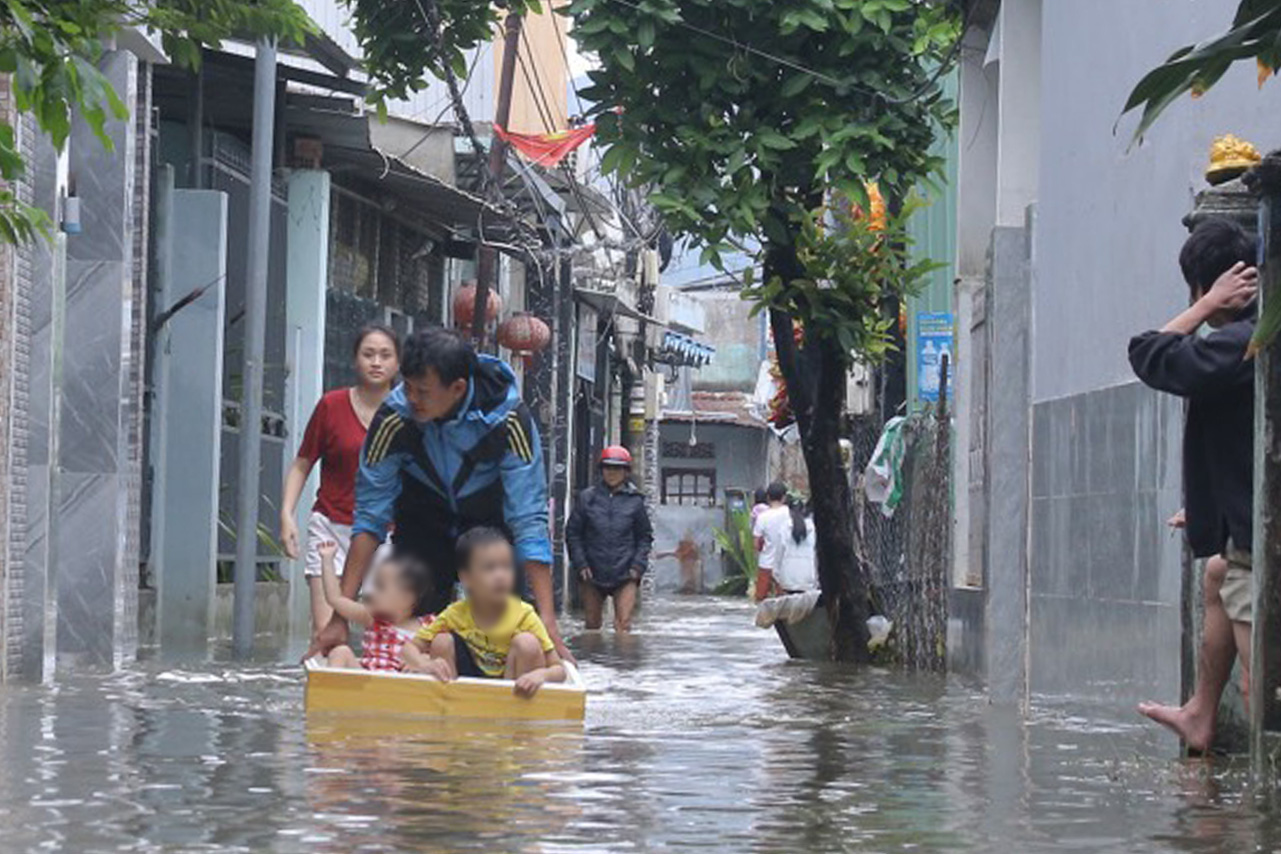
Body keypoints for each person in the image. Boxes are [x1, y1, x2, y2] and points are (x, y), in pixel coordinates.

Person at [308, 327, 570, 662]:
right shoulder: (393, 418)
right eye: (408, 387)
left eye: (423, 391)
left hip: (488, 521)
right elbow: (370, 518)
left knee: (506, 626)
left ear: (458, 388)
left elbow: (528, 518)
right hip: (422, 517)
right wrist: (339, 617)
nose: (410, 398)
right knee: (414, 626)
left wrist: (547, 619)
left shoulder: (509, 418)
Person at [1128, 218, 1258, 752]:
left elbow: (1149, 353)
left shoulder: (1238, 345)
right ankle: (1201, 714)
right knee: (1217, 575)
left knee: (1260, 683)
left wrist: (1204, 308)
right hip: (1242, 518)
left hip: (1255, 532)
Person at [280, 325, 400, 633]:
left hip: (386, 534)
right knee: (326, 633)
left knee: (385, 632)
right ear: (355, 360)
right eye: (368, 354)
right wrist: (286, 514)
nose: (376, 362)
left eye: (385, 355)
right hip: (330, 526)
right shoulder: (331, 406)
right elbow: (303, 462)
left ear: (398, 364)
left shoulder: (408, 415)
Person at [403, 528, 566, 698]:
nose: (501, 575)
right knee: (441, 641)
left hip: (514, 693)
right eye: (490, 568)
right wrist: (423, 663)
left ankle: (516, 717)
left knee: (528, 643)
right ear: (466, 578)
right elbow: (409, 649)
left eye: (506, 567)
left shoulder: (524, 615)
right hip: (466, 695)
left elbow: (559, 669)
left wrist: (540, 675)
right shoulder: (455, 614)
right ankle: (450, 707)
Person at [566, 445, 653, 633]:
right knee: (592, 626)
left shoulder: (635, 501)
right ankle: (594, 661)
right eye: (607, 467)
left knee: (623, 625)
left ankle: (622, 661)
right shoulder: (587, 498)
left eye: (617, 468)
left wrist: (637, 566)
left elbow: (644, 537)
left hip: (625, 573)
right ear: (601, 470)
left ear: (626, 472)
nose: (612, 472)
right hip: (592, 573)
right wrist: (580, 564)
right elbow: (573, 533)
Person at [318, 541, 432, 672]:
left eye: (380, 586)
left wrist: (422, 662)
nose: (372, 592)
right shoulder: (371, 617)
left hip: (403, 686)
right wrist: (327, 560)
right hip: (368, 682)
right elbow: (335, 599)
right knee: (340, 652)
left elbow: (440, 660)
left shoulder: (429, 628)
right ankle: (330, 691)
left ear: (407, 597)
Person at [756, 500, 818, 601]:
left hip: (787, 580)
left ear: (789, 512)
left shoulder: (784, 528)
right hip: (808, 580)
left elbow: (778, 556)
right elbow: (817, 557)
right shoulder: (814, 529)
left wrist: (777, 576)